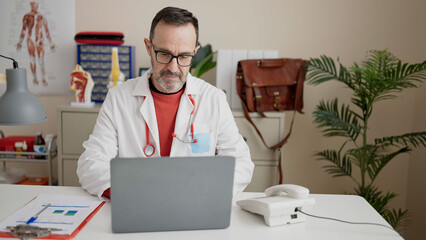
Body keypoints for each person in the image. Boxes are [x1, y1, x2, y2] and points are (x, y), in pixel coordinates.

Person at [77, 6, 254, 199]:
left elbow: (241, 164)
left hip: (194, 206)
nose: (173, 67)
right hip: (136, 204)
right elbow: (91, 162)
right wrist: (129, 192)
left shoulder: (214, 99)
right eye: (164, 54)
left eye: (184, 56)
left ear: (194, 53)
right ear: (149, 47)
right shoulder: (119, 98)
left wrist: (204, 192)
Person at [16, 1, 55, 86]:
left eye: (35, 5)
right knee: (32, 60)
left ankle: (43, 79)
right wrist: (20, 42)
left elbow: (46, 30)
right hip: (30, 40)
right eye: (32, 5)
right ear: (31, 6)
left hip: (39, 40)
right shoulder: (27, 16)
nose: (34, 7)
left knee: (41, 60)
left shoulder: (41, 16)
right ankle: (34, 78)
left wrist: (51, 43)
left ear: (37, 6)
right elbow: (23, 30)